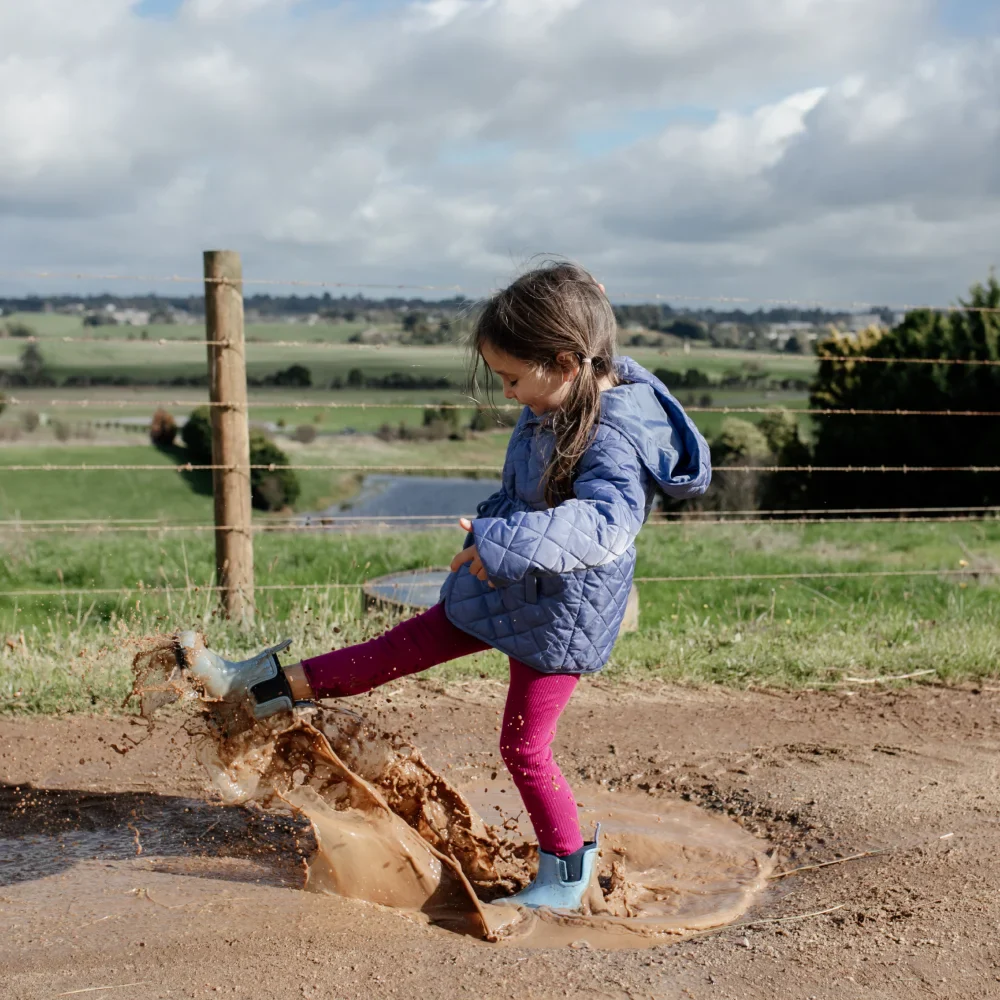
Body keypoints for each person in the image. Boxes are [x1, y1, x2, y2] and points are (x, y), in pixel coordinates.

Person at [180, 261, 711, 911]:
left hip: (559, 617)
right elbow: (524, 490)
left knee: (523, 746)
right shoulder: (557, 396)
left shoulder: (614, 435)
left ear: (566, 362)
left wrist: (502, 544)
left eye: (513, 379)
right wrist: (490, 532)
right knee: (390, 651)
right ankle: (250, 688)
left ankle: (566, 878)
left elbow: (605, 525)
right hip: (504, 582)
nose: (510, 393)